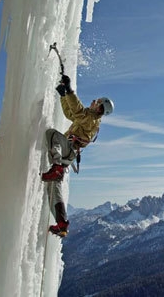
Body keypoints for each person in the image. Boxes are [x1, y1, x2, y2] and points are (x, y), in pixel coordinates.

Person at [41, 74, 114, 237]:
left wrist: (70, 90)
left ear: (100, 107)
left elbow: (78, 110)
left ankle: (57, 166)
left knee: (52, 134)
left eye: (97, 101)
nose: (94, 101)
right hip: (70, 153)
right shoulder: (89, 118)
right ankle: (62, 223)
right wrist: (63, 96)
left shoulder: (92, 119)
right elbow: (71, 115)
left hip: (68, 149)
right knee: (54, 187)